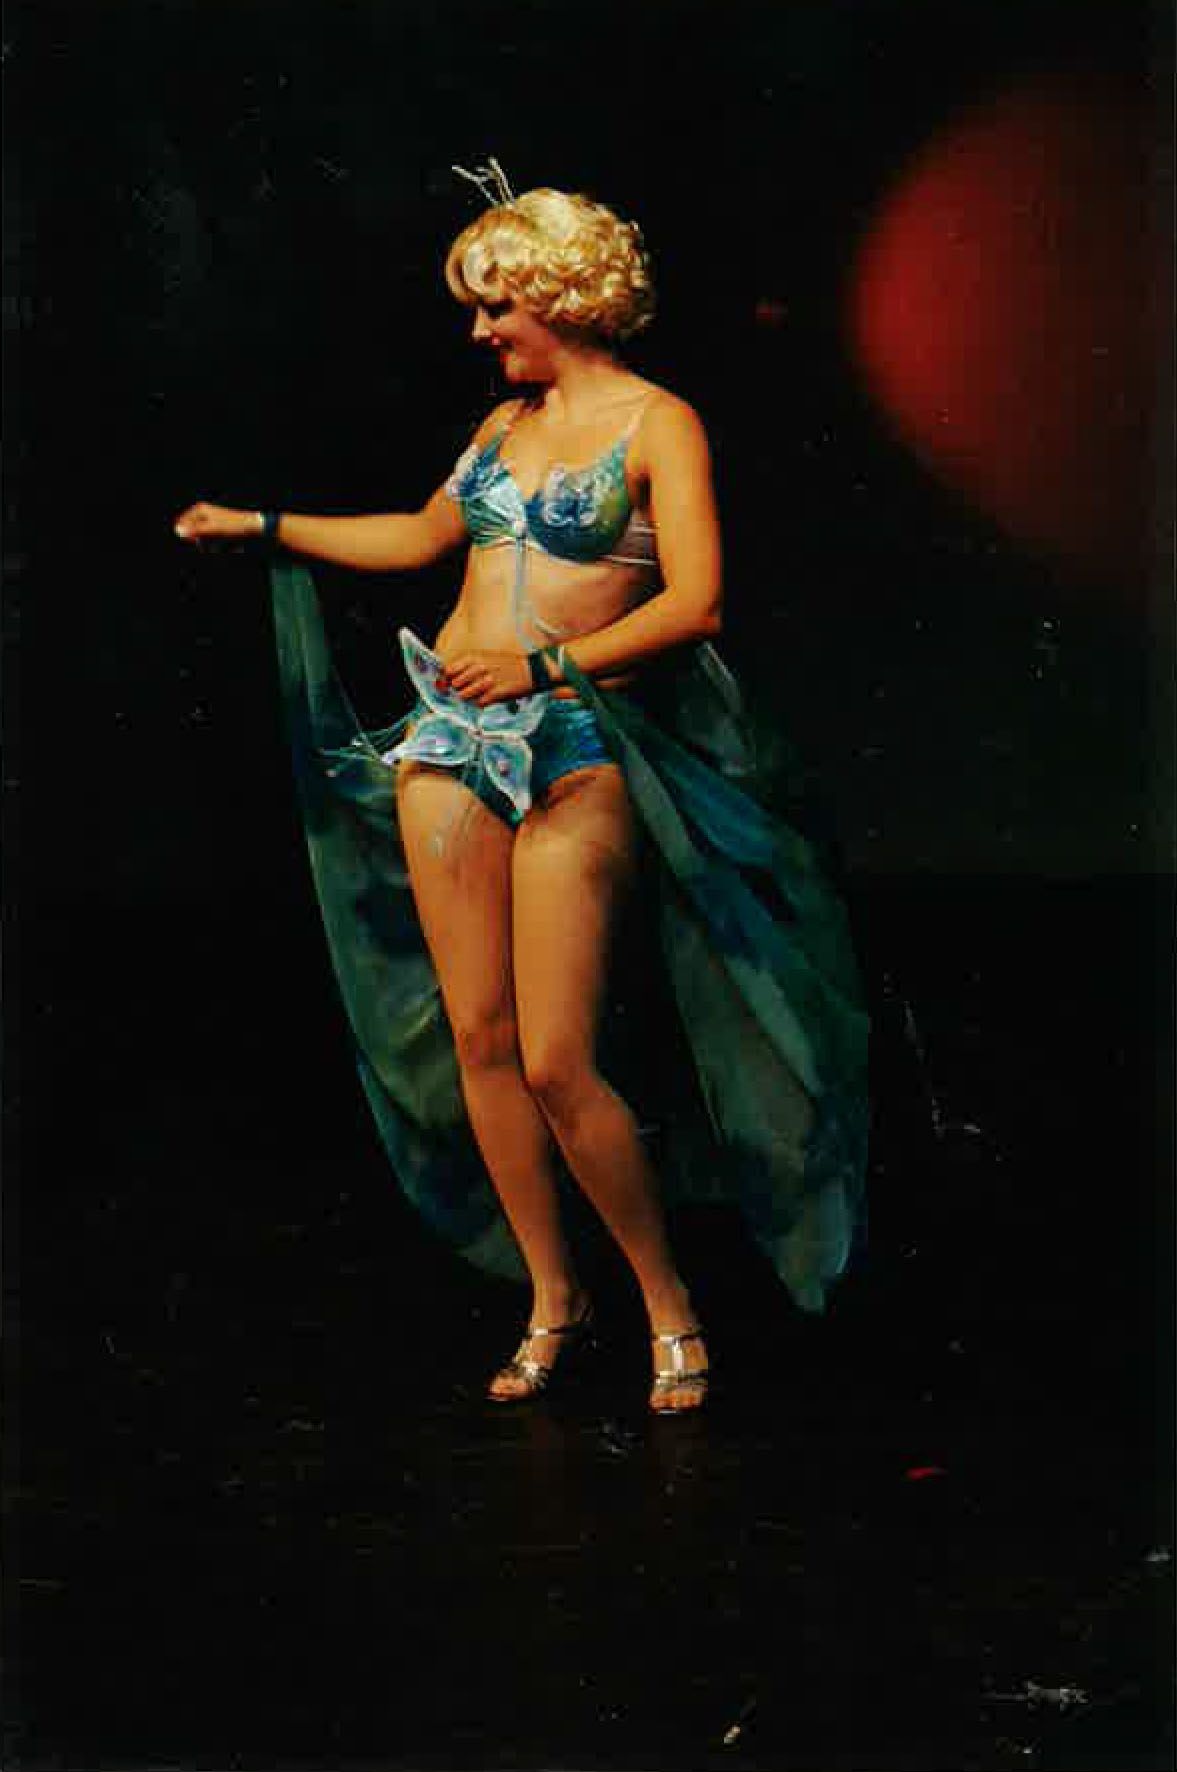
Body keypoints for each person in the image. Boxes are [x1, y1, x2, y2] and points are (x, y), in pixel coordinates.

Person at [175, 173, 869, 1414]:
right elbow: (418, 537)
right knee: (481, 1041)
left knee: (555, 1054)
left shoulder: (658, 424)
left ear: (560, 298)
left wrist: (543, 666)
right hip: (447, 743)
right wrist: (263, 522)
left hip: (570, 743)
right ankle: (555, 1294)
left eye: (496, 306)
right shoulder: (501, 428)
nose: (479, 330)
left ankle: (664, 1295)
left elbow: (695, 601)